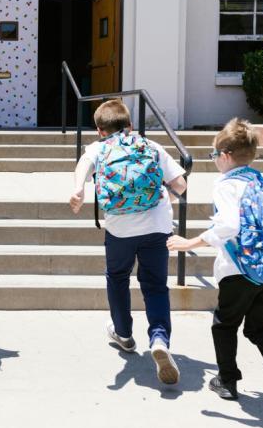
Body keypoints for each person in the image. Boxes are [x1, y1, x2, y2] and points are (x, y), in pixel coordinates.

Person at [167, 118, 263, 412]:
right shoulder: (261, 182)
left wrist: (189, 243)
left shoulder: (226, 185)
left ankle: (227, 380)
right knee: (260, 328)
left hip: (239, 271)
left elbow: (228, 226)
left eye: (214, 156)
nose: (214, 162)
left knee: (224, 324)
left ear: (225, 156)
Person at [69, 99, 186, 384]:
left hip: (120, 229)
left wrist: (78, 191)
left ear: (99, 130)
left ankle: (123, 333)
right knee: (155, 285)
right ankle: (159, 339)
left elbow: (84, 165)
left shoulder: (99, 148)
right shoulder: (151, 146)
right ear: (130, 125)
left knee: (118, 277)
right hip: (157, 226)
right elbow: (181, 185)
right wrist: (163, 200)